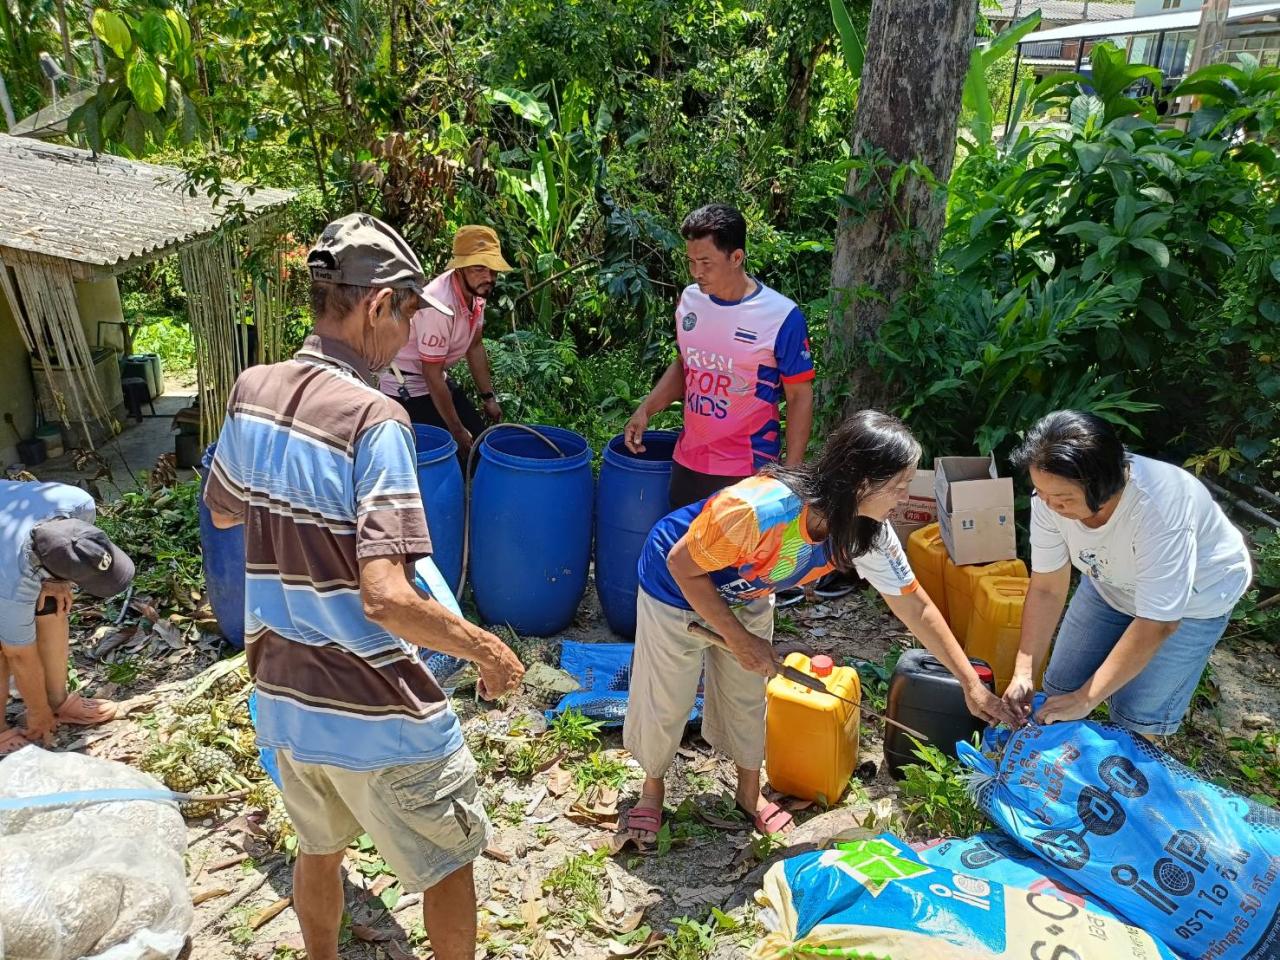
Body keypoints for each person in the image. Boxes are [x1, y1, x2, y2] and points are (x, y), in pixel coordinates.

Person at [204, 212, 525, 960]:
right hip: (374, 709)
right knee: (450, 861)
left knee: (318, 852)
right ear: (378, 305)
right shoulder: (376, 419)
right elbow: (385, 596)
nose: (408, 333)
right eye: (407, 314)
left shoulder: (252, 390)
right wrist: (487, 651)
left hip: (284, 697)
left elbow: (222, 510)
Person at [619, 411, 1015, 844]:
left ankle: (749, 792)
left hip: (748, 591)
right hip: (676, 584)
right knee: (666, 695)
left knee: (748, 692)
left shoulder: (866, 532)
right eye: (899, 485)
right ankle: (652, 791)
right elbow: (682, 564)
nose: (905, 497)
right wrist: (738, 638)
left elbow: (915, 606)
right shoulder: (758, 510)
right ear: (862, 482)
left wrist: (970, 684)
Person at [1004, 410, 1253, 737]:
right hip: (1111, 582)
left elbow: (1158, 622)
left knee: (1136, 716)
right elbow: (1047, 588)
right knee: (1061, 688)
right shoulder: (1049, 497)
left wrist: (1086, 699)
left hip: (1193, 601)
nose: (1050, 506)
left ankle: (1126, 764)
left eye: (1063, 499)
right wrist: (1023, 671)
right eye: (1042, 492)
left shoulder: (1160, 509)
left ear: (1104, 484)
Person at [624, 204, 815, 509]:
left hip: (748, 471)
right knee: (682, 541)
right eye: (691, 262)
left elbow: (799, 396)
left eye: (706, 262)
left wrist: (791, 475)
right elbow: (685, 365)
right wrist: (646, 410)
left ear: (736, 257)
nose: (696, 272)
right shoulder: (690, 300)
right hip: (688, 463)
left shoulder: (781, 316)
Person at [0, 480, 134, 755]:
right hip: (8, 560)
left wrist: (57, 580)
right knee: (4, 650)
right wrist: (37, 712)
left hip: (13, 542)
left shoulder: (79, 503)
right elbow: (19, 655)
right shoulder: (12, 583)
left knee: (52, 603)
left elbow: (67, 548)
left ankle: (57, 700)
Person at [379, 224, 510, 462]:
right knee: (455, 454)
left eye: (493, 270)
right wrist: (457, 430)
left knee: (480, 445)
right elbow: (431, 374)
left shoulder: (476, 294)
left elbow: (475, 346)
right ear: (460, 268)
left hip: (436, 377)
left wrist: (488, 398)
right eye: (479, 268)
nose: (489, 277)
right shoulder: (439, 304)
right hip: (407, 387)